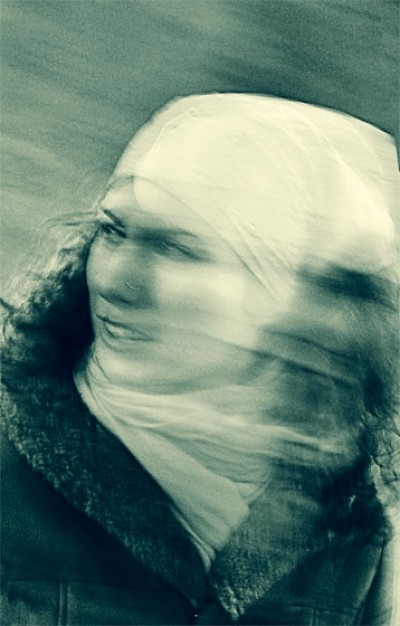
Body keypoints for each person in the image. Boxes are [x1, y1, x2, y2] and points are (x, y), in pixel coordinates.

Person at [1, 94, 399, 626]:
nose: (117, 281)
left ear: (291, 295)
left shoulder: (350, 537)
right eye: (113, 231)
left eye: (178, 250)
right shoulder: (13, 480)